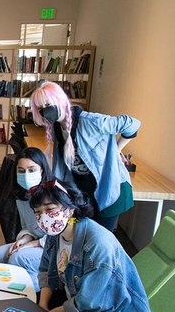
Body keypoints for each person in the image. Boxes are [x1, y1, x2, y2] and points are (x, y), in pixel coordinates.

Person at [32, 179, 157, 312]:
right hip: (73, 300)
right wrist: (42, 307)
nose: (44, 217)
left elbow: (88, 304)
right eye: (38, 212)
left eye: (50, 210)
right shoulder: (57, 231)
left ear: (70, 208)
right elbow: (46, 271)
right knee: (22, 309)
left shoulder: (97, 245)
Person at [30, 81, 140, 232]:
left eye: (47, 104)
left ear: (60, 100)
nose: (45, 110)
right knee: (78, 231)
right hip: (83, 191)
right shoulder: (56, 128)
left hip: (109, 188)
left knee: (99, 237)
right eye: (40, 108)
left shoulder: (91, 121)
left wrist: (116, 150)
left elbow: (132, 124)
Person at [0, 147, 53, 290]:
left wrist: (32, 244)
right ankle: (3, 290)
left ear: (42, 170)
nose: (26, 175)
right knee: (0, 254)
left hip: (53, 246)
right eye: (21, 171)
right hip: (37, 242)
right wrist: (23, 239)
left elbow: (60, 234)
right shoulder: (22, 196)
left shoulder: (52, 196)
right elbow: (28, 226)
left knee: (17, 258)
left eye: (32, 170)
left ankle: (34, 293)